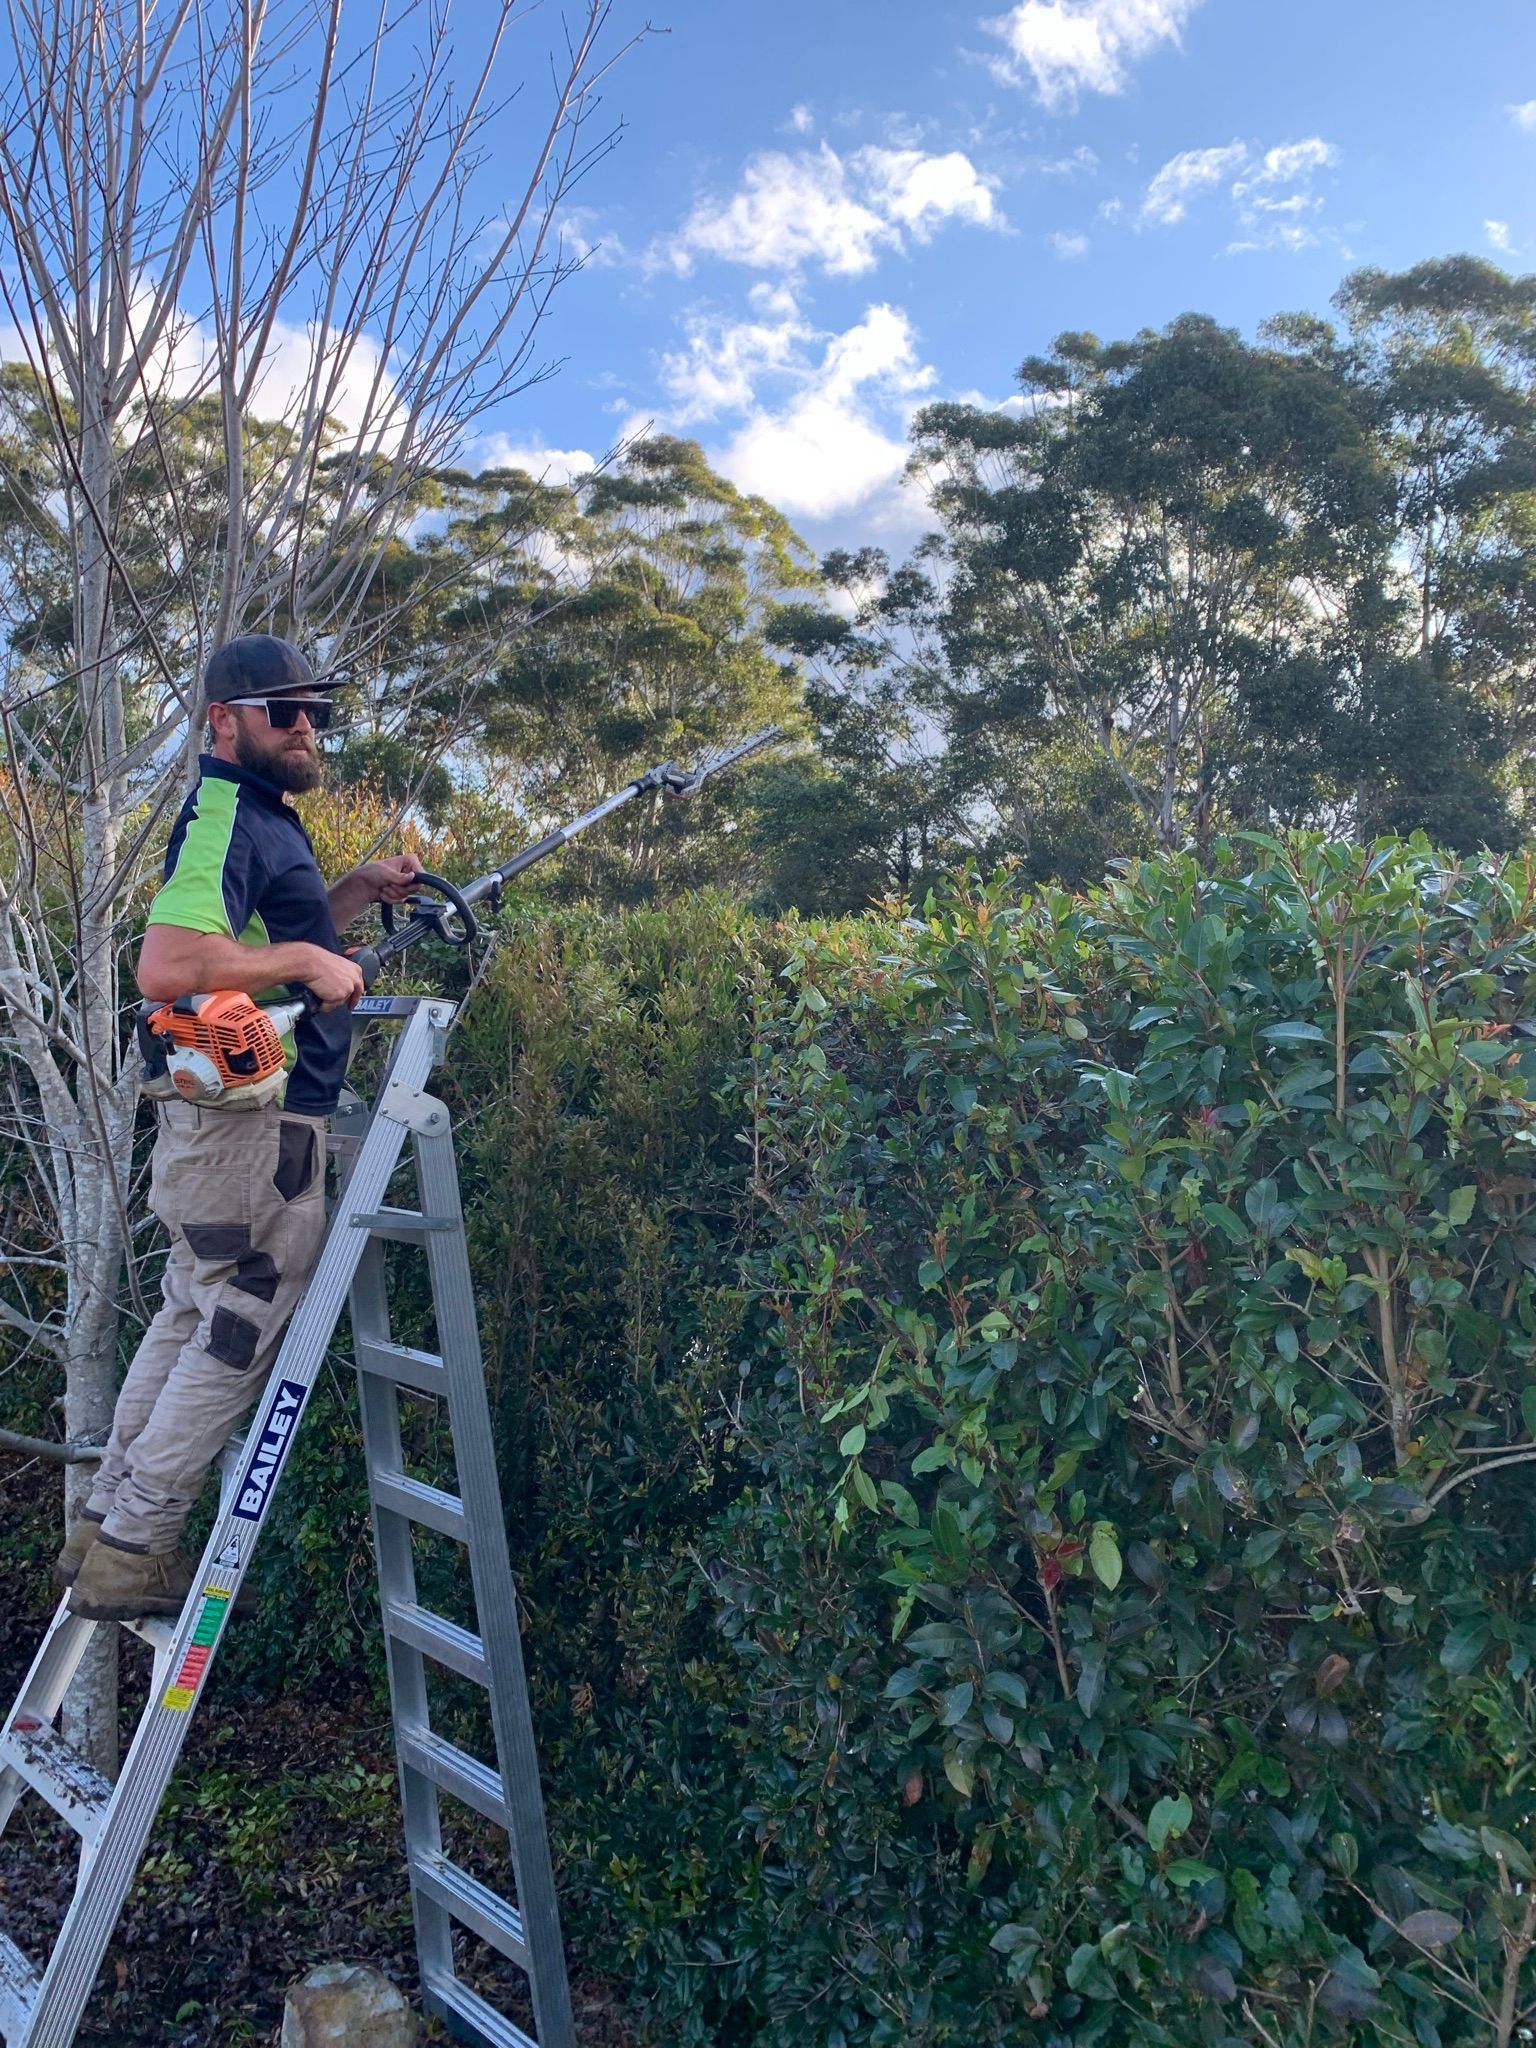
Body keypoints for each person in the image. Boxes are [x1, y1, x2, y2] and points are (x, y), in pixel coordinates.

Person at [62, 634, 422, 1622]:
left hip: (223, 1136)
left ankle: (102, 1526)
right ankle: (136, 1545)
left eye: (318, 711)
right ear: (225, 720)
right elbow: (171, 965)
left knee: (194, 1304)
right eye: (285, 709)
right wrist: (311, 958)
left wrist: (344, 897)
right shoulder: (224, 810)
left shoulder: (263, 818)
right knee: (242, 1311)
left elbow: (248, 943)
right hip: (250, 1139)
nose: (307, 726)